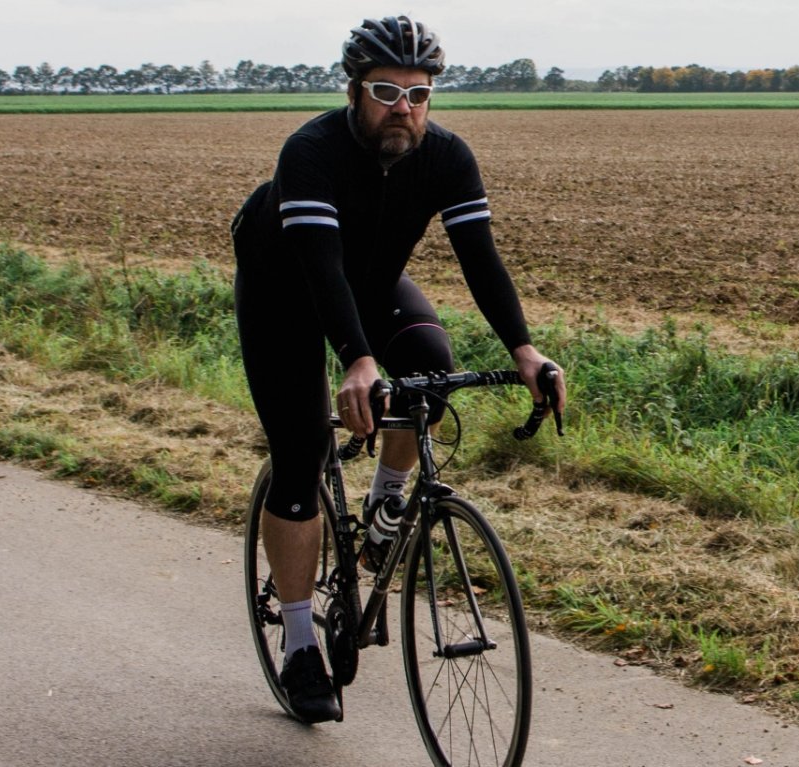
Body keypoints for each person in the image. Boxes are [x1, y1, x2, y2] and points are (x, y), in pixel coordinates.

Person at [230, 15, 563, 724]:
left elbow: (479, 257)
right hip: (284, 291)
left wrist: (525, 351)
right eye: (386, 90)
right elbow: (321, 272)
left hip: (372, 285)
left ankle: (385, 507)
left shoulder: (445, 156)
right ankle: (297, 646)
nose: (403, 107)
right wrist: (355, 360)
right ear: (354, 91)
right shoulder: (311, 152)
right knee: (300, 453)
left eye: (419, 93)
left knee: (429, 372)